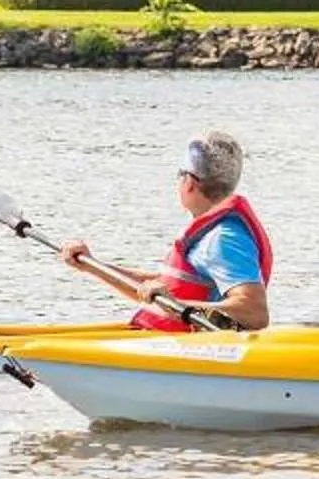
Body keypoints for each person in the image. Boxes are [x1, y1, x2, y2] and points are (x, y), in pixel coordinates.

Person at [62, 132, 272, 332]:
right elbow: (159, 289)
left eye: (180, 175)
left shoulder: (222, 238)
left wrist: (177, 306)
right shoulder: (209, 237)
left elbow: (254, 311)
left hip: (195, 350)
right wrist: (92, 265)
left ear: (189, 182)